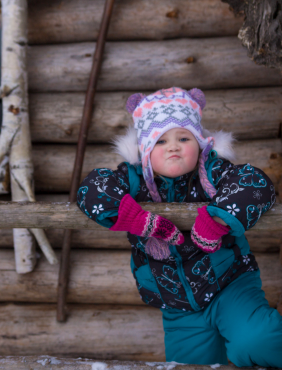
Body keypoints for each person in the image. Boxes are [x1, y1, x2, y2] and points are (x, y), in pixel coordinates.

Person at [76, 87, 282, 367]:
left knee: (258, 340)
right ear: (145, 151)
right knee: (189, 366)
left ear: (199, 143)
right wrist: (140, 220)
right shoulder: (133, 181)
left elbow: (256, 184)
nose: (173, 146)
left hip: (230, 286)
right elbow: (91, 190)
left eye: (183, 138)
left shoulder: (212, 172)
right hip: (178, 308)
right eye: (160, 141)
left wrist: (215, 221)